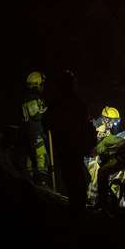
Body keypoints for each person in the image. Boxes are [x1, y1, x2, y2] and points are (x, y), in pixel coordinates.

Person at [47, 70, 96, 214]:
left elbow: (46, 122)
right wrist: (89, 144)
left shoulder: (57, 103)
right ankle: (77, 211)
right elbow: (87, 127)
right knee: (78, 179)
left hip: (64, 148)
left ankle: (75, 210)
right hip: (73, 148)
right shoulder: (77, 103)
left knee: (72, 179)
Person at [94, 116, 125, 218]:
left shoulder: (102, 144)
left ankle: (101, 202)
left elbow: (103, 157)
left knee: (102, 172)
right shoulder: (113, 139)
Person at [21, 71, 49, 184]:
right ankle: (41, 182)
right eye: (41, 84)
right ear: (36, 84)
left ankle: (31, 181)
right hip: (34, 133)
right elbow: (35, 114)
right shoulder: (31, 98)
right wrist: (47, 111)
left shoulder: (34, 97)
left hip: (33, 133)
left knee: (31, 159)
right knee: (41, 157)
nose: (43, 86)